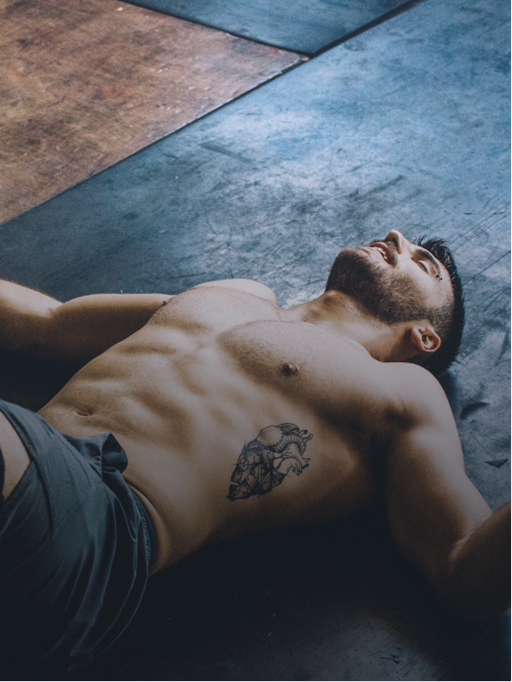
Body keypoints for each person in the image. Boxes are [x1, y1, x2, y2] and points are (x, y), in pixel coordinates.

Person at [0, 230, 510, 669]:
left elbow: (463, 570)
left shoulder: (402, 389)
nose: (396, 237)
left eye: (424, 263)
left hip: (100, 521)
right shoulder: (235, 293)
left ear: (425, 336)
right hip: (32, 464)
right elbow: (46, 323)